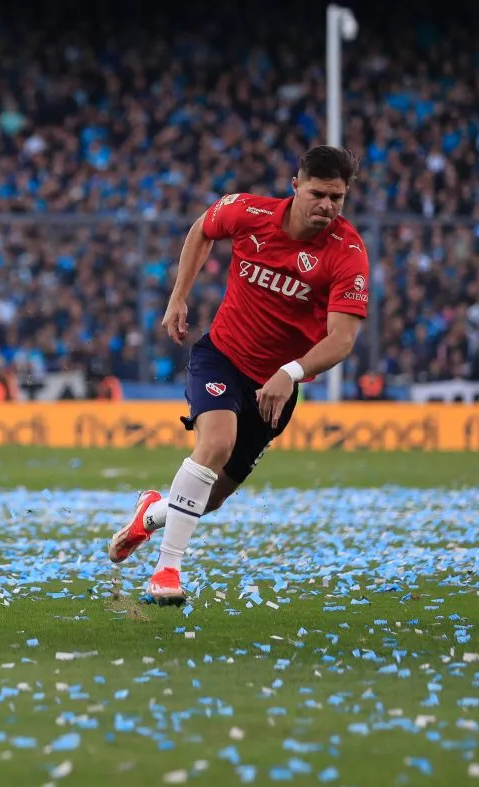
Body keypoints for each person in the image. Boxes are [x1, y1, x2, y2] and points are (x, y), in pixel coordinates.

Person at [107, 146, 370, 605]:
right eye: (318, 194)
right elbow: (201, 230)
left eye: (337, 197)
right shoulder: (248, 212)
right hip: (222, 358)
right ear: (295, 186)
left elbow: (343, 339)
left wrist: (290, 372)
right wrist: (178, 296)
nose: (327, 206)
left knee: (209, 498)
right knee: (215, 444)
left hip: (277, 388)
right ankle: (167, 572)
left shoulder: (347, 252)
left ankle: (150, 515)